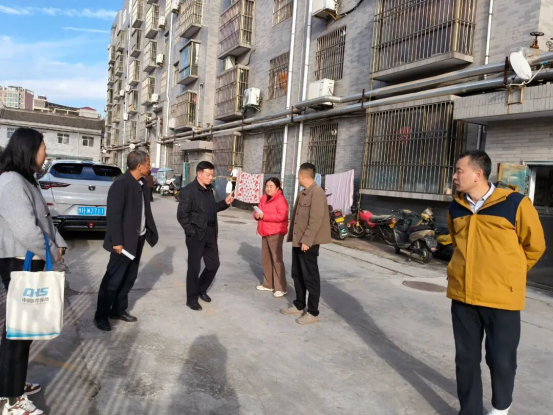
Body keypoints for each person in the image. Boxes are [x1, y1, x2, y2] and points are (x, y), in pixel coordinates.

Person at [447, 150, 545, 415]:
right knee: (466, 359)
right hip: (463, 297)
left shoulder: (515, 204)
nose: (454, 176)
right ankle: (469, 411)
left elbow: (535, 246)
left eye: (459, 171)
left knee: (501, 359)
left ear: (478, 174)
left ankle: (501, 408)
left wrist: (508, 275)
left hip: (501, 298)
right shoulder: (455, 207)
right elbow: (457, 244)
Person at [0, 127, 68, 415]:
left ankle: (11, 384)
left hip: (28, 258)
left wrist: (59, 243)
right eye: (43, 148)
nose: (46, 153)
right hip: (19, 260)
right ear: (29, 149)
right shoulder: (11, 182)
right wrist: (52, 251)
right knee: (17, 333)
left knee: (22, 331)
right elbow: (27, 231)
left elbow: (45, 221)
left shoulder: (26, 179)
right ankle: (11, 400)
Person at [94, 151, 158, 332]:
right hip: (122, 243)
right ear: (139, 166)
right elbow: (114, 216)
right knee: (113, 280)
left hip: (138, 238)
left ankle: (118, 310)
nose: (150, 166)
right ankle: (101, 316)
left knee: (129, 278)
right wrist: (117, 241)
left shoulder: (142, 183)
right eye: (148, 163)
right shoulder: (121, 184)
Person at [177, 161, 234, 311]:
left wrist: (225, 203)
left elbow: (211, 209)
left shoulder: (209, 190)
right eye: (208, 175)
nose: (211, 178)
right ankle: (191, 299)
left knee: (214, 264)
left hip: (210, 232)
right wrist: (192, 232)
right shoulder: (189, 191)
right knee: (194, 268)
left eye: (212, 175)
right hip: (196, 234)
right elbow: (182, 216)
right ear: (199, 173)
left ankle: (201, 288)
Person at [281, 163, 330, 325]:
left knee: (310, 277)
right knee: (297, 274)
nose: (297, 178)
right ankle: (299, 304)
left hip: (308, 243)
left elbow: (316, 220)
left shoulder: (317, 193)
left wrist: (307, 240)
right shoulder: (303, 193)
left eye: (298, 175)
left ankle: (313, 312)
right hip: (298, 240)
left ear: (302, 175)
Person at [254, 177, 289, 298]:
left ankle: (281, 287)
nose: (268, 189)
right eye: (267, 186)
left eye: (271, 186)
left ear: (278, 188)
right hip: (265, 231)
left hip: (276, 233)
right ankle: (268, 284)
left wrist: (264, 216)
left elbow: (282, 216)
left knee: (276, 260)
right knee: (266, 259)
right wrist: (256, 215)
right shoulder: (264, 198)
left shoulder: (281, 200)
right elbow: (258, 211)